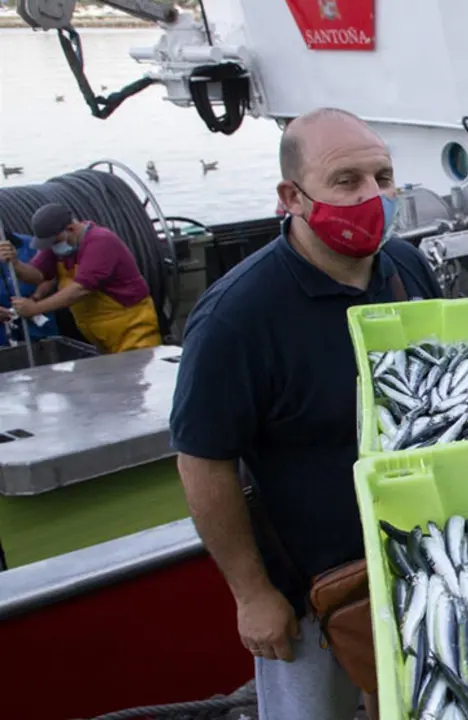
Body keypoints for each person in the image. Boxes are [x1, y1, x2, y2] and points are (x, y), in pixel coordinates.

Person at [170, 107, 443, 720]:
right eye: (346, 181)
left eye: (384, 176)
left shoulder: (409, 269)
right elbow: (203, 463)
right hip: (308, 592)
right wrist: (252, 594)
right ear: (291, 197)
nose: (373, 196)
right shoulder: (236, 318)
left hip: (420, 562)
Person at [0, 203, 161, 353]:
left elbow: (80, 289)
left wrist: (35, 308)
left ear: (70, 228)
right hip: (98, 334)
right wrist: (16, 264)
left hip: (131, 327)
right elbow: (37, 275)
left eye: (55, 241)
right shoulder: (55, 246)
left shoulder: (101, 241)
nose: (52, 246)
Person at [0, 229, 60, 343]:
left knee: (47, 355)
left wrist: (35, 299)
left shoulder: (29, 244)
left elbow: (49, 276)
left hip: (39, 326)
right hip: (3, 335)